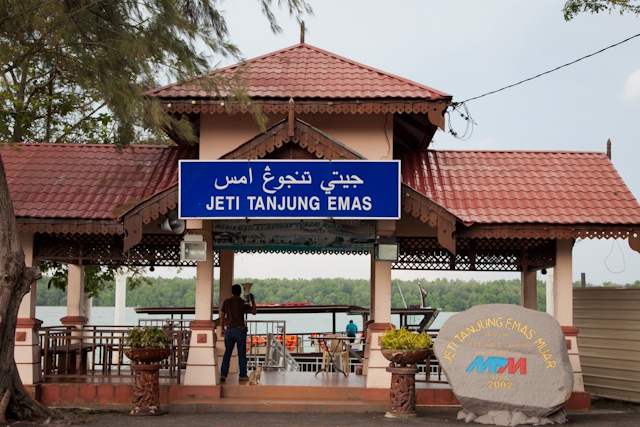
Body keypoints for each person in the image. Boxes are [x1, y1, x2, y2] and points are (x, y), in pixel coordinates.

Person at [219, 284, 257, 382]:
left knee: (227, 353)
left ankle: (223, 374)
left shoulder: (226, 302)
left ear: (231, 292)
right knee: (241, 354)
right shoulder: (243, 302)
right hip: (240, 330)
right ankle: (242, 375)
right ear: (240, 292)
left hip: (229, 330)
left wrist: (222, 328)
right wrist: (252, 300)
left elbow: (222, 316)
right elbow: (254, 312)